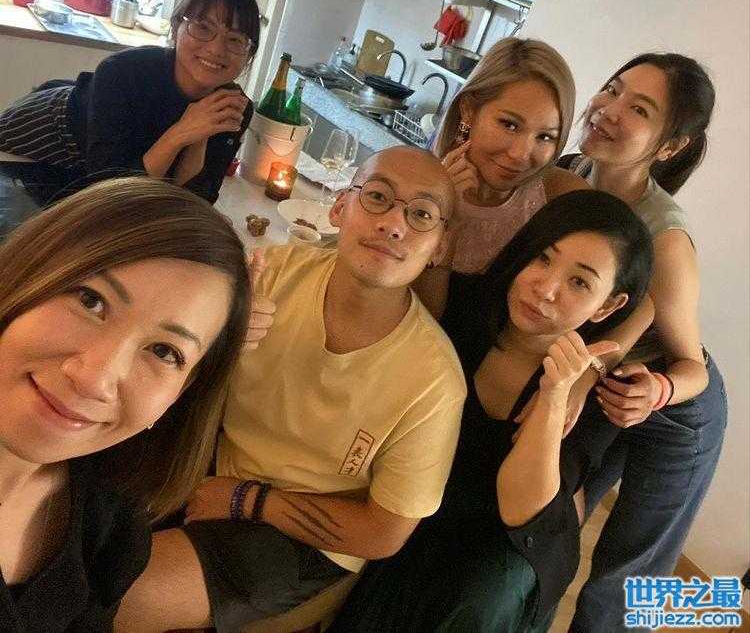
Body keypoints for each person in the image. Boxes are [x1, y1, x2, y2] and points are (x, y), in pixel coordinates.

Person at [115, 146, 467, 632]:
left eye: (421, 214)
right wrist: (218, 345)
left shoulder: (433, 382)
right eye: (378, 197)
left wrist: (247, 499)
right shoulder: (274, 273)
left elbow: (384, 532)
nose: (393, 224)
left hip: (303, 537)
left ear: (441, 248)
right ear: (340, 207)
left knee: (128, 594)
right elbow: (162, 370)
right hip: (207, 459)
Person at [330, 189, 654, 632]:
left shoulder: (599, 394)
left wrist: (555, 393)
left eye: (579, 283)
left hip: (510, 548)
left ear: (609, 306)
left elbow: (520, 511)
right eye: (542, 258)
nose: (546, 288)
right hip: (425, 509)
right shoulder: (463, 308)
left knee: (483, 591)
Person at [0, 176, 251, 631]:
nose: (95, 379)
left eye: (164, 352)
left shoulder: (113, 528)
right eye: (90, 301)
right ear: (26, 271)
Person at [558, 53, 728, 632]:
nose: (608, 109)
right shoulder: (569, 174)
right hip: (606, 382)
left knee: (624, 580)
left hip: (676, 409)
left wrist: (656, 391)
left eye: (639, 109)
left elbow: (692, 366)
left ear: (670, 145)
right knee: (557, 521)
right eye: (612, 89)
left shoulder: (666, 238)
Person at [0, 0, 260, 203]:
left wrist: (201, 135)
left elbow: (191, 200)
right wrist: (180, 133)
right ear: (175, 28)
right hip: (43, 133)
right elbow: (110, 193)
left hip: (97, 177)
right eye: (203, 27)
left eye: (235, 39)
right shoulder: (123, 72)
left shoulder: (233, 107)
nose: (216, 49)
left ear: (248, 54)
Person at [414, 36, 588, 320]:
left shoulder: (559, 195)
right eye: (510, 125)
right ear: (469, 110)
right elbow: (420, 320)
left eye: (545, 137)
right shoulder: (416, 186)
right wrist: (446, 221)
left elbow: (633, 288)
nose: (521, 154)